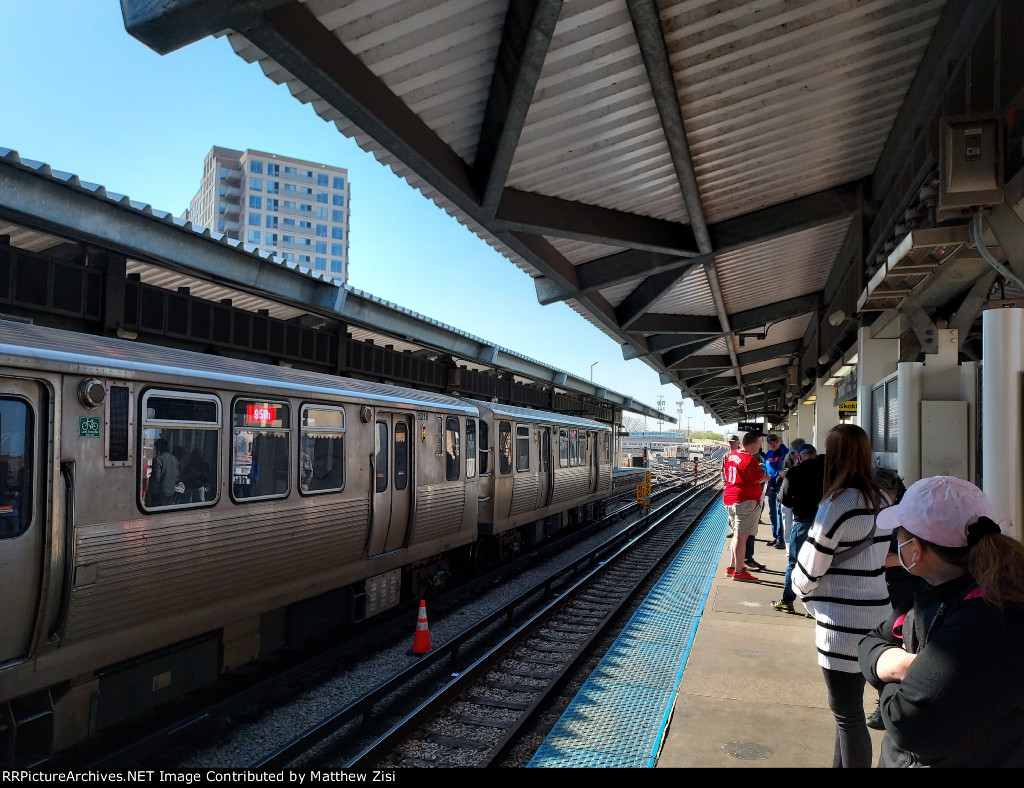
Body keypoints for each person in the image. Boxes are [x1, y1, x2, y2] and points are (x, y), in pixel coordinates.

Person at [859, 476, 1024, 767]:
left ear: (915, 548)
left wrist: (897, 673)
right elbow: (871, 641)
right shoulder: (934, 591)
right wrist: (896, 664)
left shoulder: (984, 622)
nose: (896, 538)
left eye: (900, 531)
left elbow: (905, 723)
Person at [792, 423, 893, 768]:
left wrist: (798, 588)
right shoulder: (884, 499)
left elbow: (810, 568)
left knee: (848, 717)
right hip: (879, 619)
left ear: (833, 456)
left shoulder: (836, 502)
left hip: (841, 624)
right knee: (848, 716)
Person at [772, 443, 822, 615]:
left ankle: (787, 601)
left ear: (799, 457)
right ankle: (812, 608)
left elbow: (784, 500)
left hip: (802, 522)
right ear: (815, 455)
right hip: (824, 523)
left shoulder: (794, 472)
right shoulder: (827, 471)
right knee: (820, 564)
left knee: (794, 563)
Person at [723, 431, 768, 582]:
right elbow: (759, 478)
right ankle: (739, 571)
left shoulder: (732, 455)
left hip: (731, 498)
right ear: (753, 444)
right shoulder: (750, 459)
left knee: (737, 535)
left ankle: (732, 567)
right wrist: (767, 477)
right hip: (745, 501)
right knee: (742, 538)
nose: (761, 447)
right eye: (760, 443)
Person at [778, 437, 805, 549]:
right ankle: (791, 548)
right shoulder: (790, 460)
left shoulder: (798, 464)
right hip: (795, 498)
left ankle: (790, 549)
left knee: (789, 524)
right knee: (791, 524)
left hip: (792, 498)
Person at [763, 434, 789, 549]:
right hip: (770, 486)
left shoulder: (784, 452)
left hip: (780, 486)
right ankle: (776, 536)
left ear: (778, 441)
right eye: (770, 443)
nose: (772, 445)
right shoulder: (768, 454)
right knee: (772, 512)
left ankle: (781, 539)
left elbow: (787, 457)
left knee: (779, 513)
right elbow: (765, 466)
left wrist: (782, 446)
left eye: (774, 442)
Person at [146, 437, 180, 507]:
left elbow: (156, 478)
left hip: (159, 493)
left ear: (159, 447)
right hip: (171, 492)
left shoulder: (158, 459)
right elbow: (177, 476)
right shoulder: (175, 459)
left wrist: (149, 493)